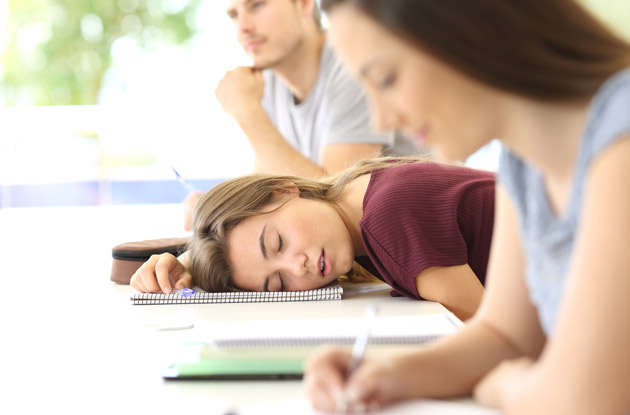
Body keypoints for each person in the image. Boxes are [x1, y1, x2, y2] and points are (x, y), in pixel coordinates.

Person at [302, 0, 630, 413]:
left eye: (385, 79)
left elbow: (585, 401)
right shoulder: (524, 162)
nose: (381, 119)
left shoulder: (621, 143)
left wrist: (503, 388)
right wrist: (387, 374)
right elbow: (506, 336)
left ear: (465, 28)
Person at [131, 157, 495, 321]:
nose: (297, 266)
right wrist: (188, 264)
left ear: (282, 190)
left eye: (277, 243)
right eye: (278, 283)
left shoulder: (387, 217)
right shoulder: (358, 203)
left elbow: (495, 332)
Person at [182, 0, 420, 230]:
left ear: (305, 3)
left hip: (408, 237)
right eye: (233, 14)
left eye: (257, 5)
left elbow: (338, 202)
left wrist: (248, 114)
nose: (243, 27)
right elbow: (265, 186)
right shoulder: (266, 84)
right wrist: (215, 208)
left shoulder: (353, 62)